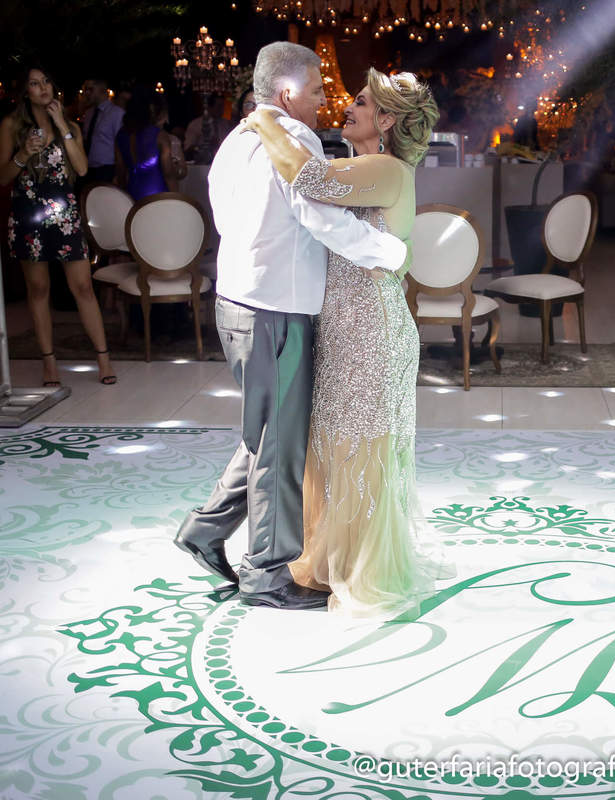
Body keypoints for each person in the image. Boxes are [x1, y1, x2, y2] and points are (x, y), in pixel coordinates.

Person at [172, 42, 409, 611]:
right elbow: (317, 211)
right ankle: (266, 576)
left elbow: (227, 215)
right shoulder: (295, 140)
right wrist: (387, 250)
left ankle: (206, 530)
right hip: (275, 311)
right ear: (286, 94)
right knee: (280, 448)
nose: (326, 102)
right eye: (318, 90)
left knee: (267, 435)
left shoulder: (235, 139)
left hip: (235, 304)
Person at [245, 67, 450, 616]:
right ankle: (331, 558)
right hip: (341, 324)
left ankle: (362, 570)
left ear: (385, 119)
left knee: (358, 448)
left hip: (369, 331)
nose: (347, 107)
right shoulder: (365, 166)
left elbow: (306, 179)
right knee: (333, 446)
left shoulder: (386, 168)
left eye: (360, 102)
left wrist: (265, 119)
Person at [0, 66, 116, 387]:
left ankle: (103, 358)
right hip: (28, 215)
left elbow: (82, 167)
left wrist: (62, 124)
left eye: (46, 80)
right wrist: (22, 154)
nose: (43, 87)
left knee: (83, 286)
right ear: (25, 92)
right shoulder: (11, 126)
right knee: (38, 290)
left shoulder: (71, 127)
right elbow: (3, 177)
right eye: (34, 84)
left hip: (65, 215)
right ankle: (49, 363)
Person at [114, 91, 177, 200]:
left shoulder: (121, 135)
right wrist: (177, 199)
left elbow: (121, 172)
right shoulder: (159, 135)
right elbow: (168, 174)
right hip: (156, 192)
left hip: (132, 191)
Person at [79, 78, 124, 184]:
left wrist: (119, 172)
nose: (87, 93)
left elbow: (121, 145)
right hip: (88, 168)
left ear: (102, 89)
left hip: (107, 169)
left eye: (90, 89)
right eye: (86, 89)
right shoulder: (89, 114)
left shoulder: (117, 113)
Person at [185, 93, 234, 165]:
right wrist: (203, 147)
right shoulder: (196, 124)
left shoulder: (227, 124)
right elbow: (188, 148)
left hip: (224, 162)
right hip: (202, 164)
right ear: (210, 107)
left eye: (223, 106)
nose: (222, 109)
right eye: (219, 106)